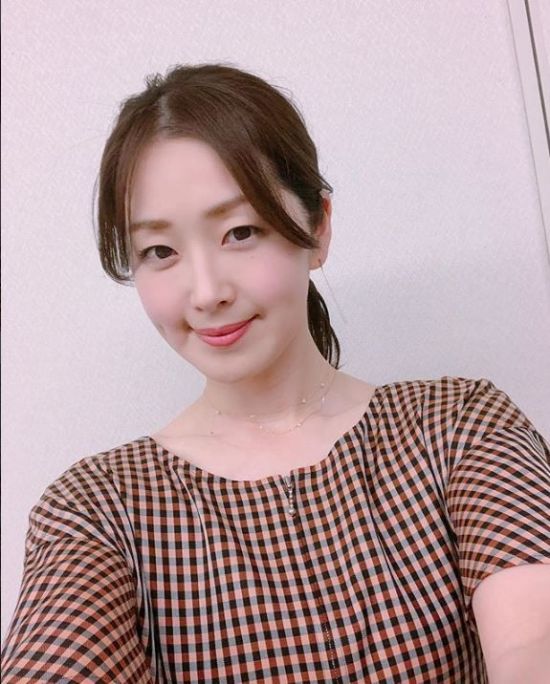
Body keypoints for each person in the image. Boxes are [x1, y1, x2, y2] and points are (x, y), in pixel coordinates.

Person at [2, 63, 549, 683]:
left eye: (240, 232)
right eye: (160, 251)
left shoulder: (456, 427)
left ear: (318, 227)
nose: (206, 292)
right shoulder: (100, 509)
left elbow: (534, 639)